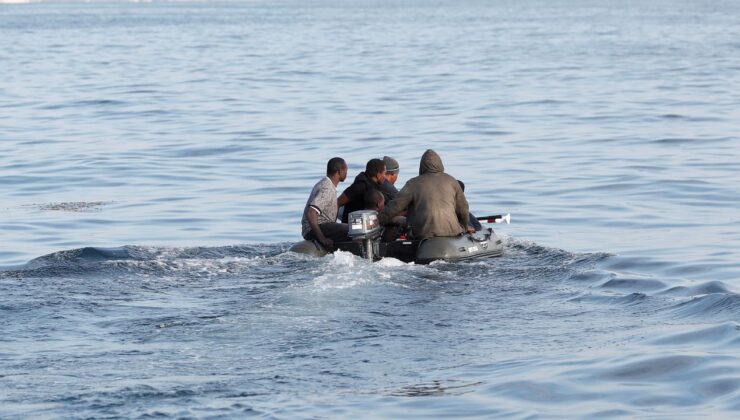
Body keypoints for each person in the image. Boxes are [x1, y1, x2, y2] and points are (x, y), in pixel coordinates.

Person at [379, 149, 473, 239]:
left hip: (422, 234)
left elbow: (394, 207)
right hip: (452, 232)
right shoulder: (452, 181)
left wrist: (377, 221)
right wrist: (463, 227)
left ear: (421, 166)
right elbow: (463, 209)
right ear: (440, 164)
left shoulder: (413, 183)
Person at [301, 157, 350, 250]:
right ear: (339, 171)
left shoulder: (326, 184)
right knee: (351, 230)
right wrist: (322, 239)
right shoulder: (327, 188)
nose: (347, 172)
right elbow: (311, 213)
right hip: (313, 229)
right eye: (346, 169)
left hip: (323, 226)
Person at [337, 158, 386, 223]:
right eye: (384, 173)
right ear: (378, 175)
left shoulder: (374, 185)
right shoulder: (360, 186)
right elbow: (338, 202)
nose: (385, 177)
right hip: (352, 223)